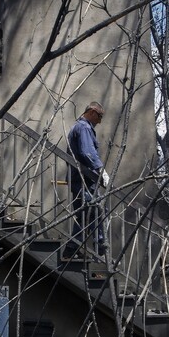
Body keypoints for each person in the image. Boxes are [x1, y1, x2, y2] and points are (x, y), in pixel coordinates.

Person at [63, 101, 110, 259]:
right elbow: (87, 151)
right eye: (100, 117)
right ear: (92, 112)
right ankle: (99, 247)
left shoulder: (80, 127)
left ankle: (74, 249)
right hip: (82, 180)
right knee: (93, 210)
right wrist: (100, 169)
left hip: (80, 179)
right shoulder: (84, 127)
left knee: (85, 215)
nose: (100, 121)